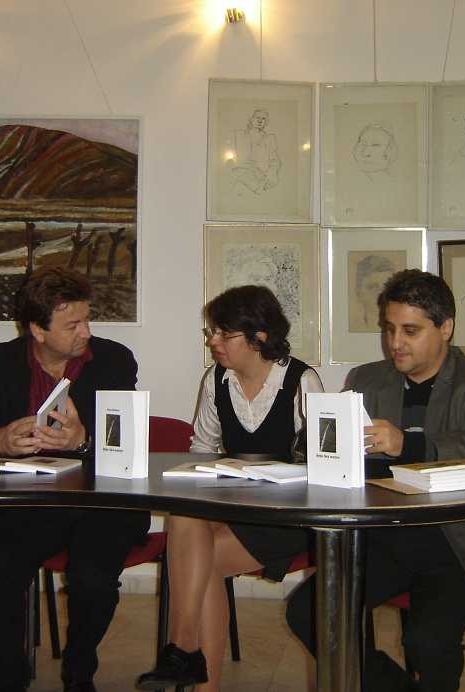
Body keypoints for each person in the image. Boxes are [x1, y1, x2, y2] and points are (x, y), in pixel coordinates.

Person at [285, 269, 465, 692]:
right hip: (386, 536)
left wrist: (407, 443)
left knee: (427, 642)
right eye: (389, 329)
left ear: (445, 328)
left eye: (410, 331)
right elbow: (330, 449)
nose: (395, 342)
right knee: (310, 614)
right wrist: (317, 440)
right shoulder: (367, 379)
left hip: (457, 540)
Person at [0, 267, 150, 692]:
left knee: (92, 577)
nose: (86, 332)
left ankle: (79, 670)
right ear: (37, 330)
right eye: (72, 324)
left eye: (87, 319)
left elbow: (129, 443)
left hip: (103, 502)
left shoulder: (114, 360)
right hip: (33, 501)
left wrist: (83, 440)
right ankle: (7, 677)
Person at [135, 285, 323, 692]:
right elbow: (201, 450)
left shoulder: (300, 381)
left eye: (223, 333)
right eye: (211, 332)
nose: (213, 341)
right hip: (232, 506)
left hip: (284, 517)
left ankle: (185, 654)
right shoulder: (216, 380)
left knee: (198, 564)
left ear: (259, 337)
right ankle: (187, 658)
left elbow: (322, 465)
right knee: (186, 514)